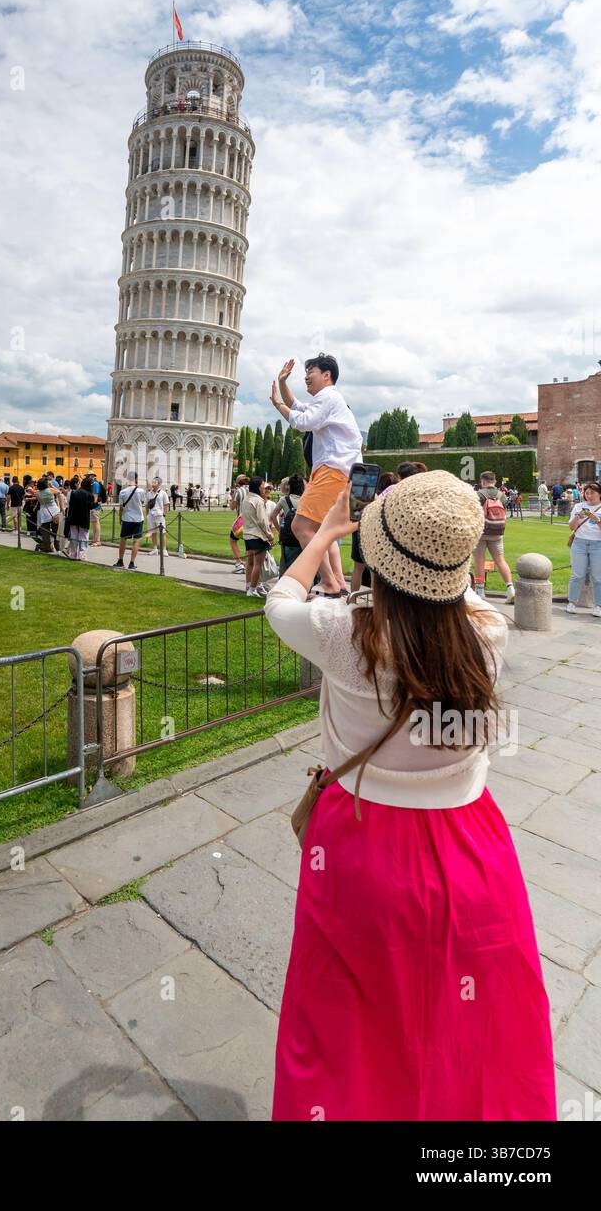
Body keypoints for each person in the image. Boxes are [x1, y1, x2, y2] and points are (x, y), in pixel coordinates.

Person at [264, 470, 555, 1121]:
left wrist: (324, 533)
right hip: (470, 845)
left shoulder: (343, 633)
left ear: (378, 559)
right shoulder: (486, 633)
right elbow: (455, 606)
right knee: (475, 1030)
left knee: (342, 1025)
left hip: (359, 841)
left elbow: (280, 599)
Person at [270, 353, 360, 593]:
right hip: (341, 471)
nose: (306, 377)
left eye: (310, 372)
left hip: (332, 470)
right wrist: (282, 385)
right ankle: (338, 582)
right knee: (323, 531)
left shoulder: (328, 397)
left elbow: (303, 420)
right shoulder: (329, 399)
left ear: (326, 375)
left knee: (301, 528)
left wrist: (278, 405)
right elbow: (298, 407)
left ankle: (329, 582)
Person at [473, 471, 515, 602]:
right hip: (497, 532)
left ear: (483, 481)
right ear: (494, 481)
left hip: (481, 532)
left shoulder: (479, 494)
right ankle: (510, 589)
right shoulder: (501, 495)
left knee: (479, 560)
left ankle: (480, 590)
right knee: (500, 560)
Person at [566, 480, 601, 615]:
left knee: (598, 577)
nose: (589, 496)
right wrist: (577, 517)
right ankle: (572, 602)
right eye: (587, 493)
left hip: (598, 544)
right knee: (577, 575)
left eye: (592, 493)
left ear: (599, 494)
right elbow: (571, 527)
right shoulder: (579, 506)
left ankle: (598, 605)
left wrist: (596, 520)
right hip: (579, 543)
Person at [241, 474, 273, 596]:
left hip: (248, 534)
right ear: (258, 487)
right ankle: (253, 589)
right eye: (262, 486)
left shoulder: (246, 499)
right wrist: (269, 535)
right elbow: (262, 521)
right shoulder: (259, 501)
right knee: (258, 564)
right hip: (257, 535)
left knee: (249, 563)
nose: (264, 488)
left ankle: (249, 585)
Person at [273, 473, 305, 574]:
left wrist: (279, 530)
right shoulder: (305, 500)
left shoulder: (284, 500)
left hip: (288, 535)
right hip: (303, 535)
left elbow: (273, 516)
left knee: (285, 562)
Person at [114, 474, 146, 570]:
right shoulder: (141, 491)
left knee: (123, 539)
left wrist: (120, 518)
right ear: (136, 479)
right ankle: (132, 562)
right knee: (136, 540)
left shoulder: (123, 492)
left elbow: (121, 507)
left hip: (127, 518)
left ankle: (120, 560)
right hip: (138, 518)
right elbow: (143, 502)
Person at [64, 475, 93, 560]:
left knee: (74, 536)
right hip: (84, 518)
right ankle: (82, 554)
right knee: (83, 536)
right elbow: (90, 506)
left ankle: (73, 553)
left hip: (73, 517)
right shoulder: (89, 495)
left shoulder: (75, 493)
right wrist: (96, 503)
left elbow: (71, 505)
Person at [144, 476, 169, 556]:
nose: (153, 484)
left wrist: (164, 514)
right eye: (153, 482)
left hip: (159, 515)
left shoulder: (163, 493)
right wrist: (147, 514)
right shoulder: (148, 493)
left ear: (159, 484)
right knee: (153, 532)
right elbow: (147, 505)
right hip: (151, 515)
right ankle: (154, 549)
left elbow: (166, 504)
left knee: (162, 533)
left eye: (155, 482)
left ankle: (164, 550)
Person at [229, 474, 249, 573]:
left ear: (237, 482)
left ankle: (239, 563)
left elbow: (232, 507)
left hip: (241, 521)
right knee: (249, 543)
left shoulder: (238, 491)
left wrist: (230, 498)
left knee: (233, 540)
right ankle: (249, 564)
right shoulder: (252, 490)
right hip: (252, 521)